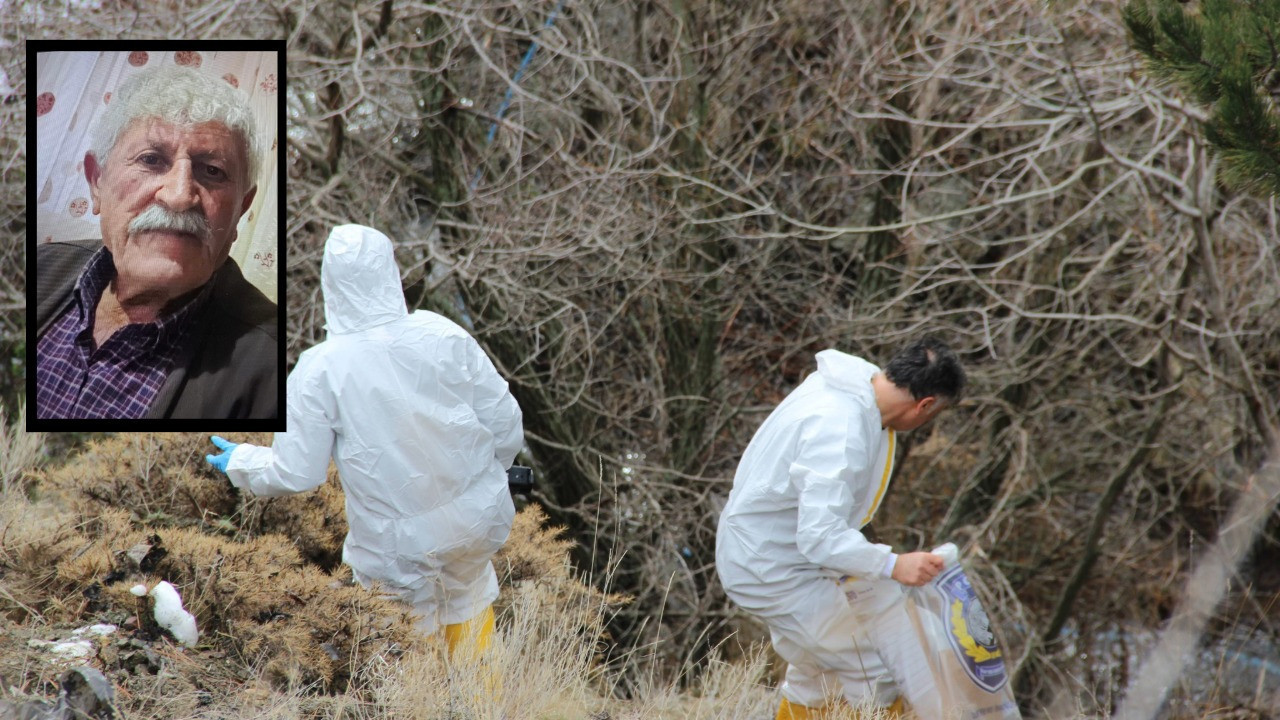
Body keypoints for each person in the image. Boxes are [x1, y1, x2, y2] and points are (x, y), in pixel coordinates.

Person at [205, 224, 523, 663]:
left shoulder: (321, 371)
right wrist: (485, 483)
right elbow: (506, 423)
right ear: (390, 272)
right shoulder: (442, 332)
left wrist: (242, 461)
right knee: (469, 611)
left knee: (409, 651)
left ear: (330, 283)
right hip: (478, 523)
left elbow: (298, 472)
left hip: (399, 551)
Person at [715, 338, 966, 719]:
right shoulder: (839, 429)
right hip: (771, 568)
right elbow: (821, 536)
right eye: (932, 415)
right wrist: (893, 565)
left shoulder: (858, 388)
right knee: (874, 666)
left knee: (820, 671)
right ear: (925, 404)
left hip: (780, 555)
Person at [34, 65, 275, 419]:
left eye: (212, 171)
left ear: (241, 208)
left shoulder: (271, 364)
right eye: (151, 160)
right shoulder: (38, 269)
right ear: (97, 181)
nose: (179, 196)